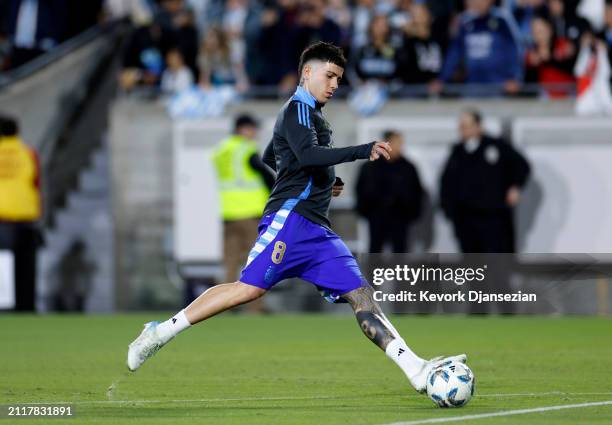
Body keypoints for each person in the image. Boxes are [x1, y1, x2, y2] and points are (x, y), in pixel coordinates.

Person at [127, 42, 466, 395]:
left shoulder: (313, 115)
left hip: (318, 230)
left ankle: (415, 369)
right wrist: (361, 151)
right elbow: (304, 154)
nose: (334, 84)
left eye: (339, 78)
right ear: (308, 73)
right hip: (290, 221)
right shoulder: (298, 110)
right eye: (329, 75)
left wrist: (322, 181)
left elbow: (273, 155)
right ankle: (162, 331)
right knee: (247, 289)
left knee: (362, 296)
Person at [440, 109, 530, 314]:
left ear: (478, 126)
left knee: (498, 266)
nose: (462, 130)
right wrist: (450, 212)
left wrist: (515, 187)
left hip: (494, 220)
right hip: (466, 221)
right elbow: (446, 185)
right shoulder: (457, 152)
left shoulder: (496, 147)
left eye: (467, 125)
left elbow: (522, 166)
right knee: (473, 268)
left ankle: (507, 310)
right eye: (461, 126)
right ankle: (477, 310)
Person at [211, 114, 274, 285]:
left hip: (228, 213)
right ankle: (255, 307)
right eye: (253, 128)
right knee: (256, 260)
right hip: (249, 212)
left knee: (230, 262)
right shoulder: (246, 149)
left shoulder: (222, 149)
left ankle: (225, 305)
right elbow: (266, 176)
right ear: (242, 129)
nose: (256, 133)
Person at [430, 0, 523, 96]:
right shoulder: (465, 22)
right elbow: (454, 53)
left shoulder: (502, 20)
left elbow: (513, 50)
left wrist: (514, 77)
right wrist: (442, 79)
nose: (476, 2)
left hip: (498, 86)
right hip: (472, 85)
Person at [355, 130, 424, 253]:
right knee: (376, 250)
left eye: (401, 143)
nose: (400, 146)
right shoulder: (370, 167)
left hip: (400, 217)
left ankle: (398, 273)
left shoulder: (408, 167)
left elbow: (416, 192)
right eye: (397, 143)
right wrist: (366, 210)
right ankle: (374, 272)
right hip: (376, 217)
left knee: (400, 251)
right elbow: (361, 190)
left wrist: (411, 212)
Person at [0, 115, 42, 311]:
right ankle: (27, 307)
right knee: (26, 268)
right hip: (26, 218)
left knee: (3, 267)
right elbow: (36, 183)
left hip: (2, 218)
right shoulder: (28, 153)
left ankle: (5, 306)